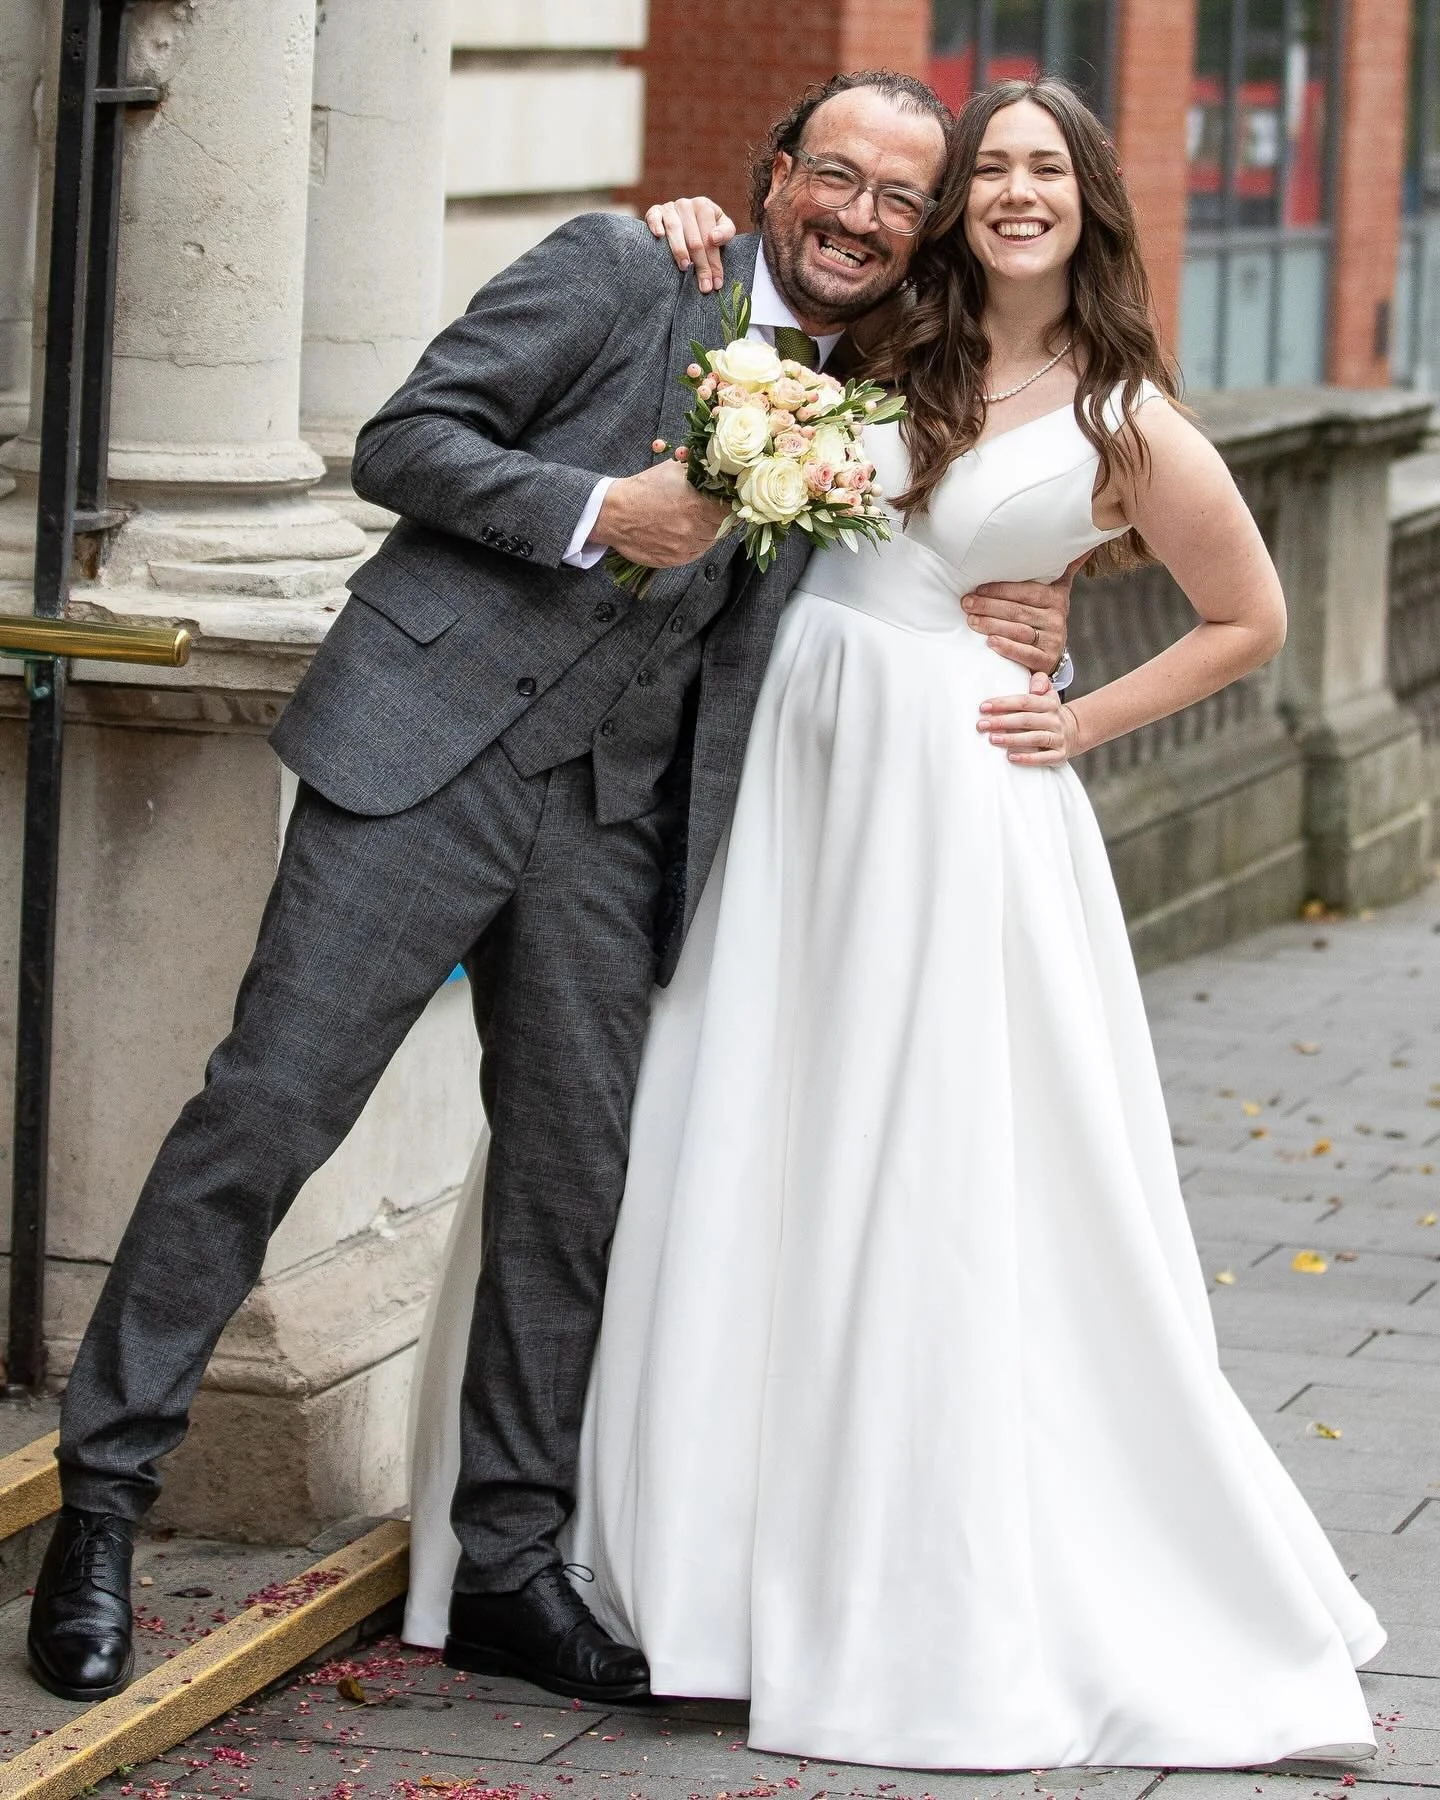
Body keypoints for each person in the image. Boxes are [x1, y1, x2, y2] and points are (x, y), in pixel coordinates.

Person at [25, 72, 1073, 1707]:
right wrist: (598, 509)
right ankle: (102, 1505)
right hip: (426, 758)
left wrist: (1037, 619)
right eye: (836, 176)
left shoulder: (883, 387)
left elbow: (951, 543)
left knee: (574, 1187)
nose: (858, 219)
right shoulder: (626, 268)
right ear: (774, 172)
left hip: (616, 820)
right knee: (266, 1118)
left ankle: (512, 1559)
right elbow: (403, 445)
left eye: (896, 199)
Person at [404, 79, 1384, 1768]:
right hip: (777, 769)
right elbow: (756, 347)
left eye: (1045, 168)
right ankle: (658, 1553)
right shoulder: (880, 352)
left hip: (946, 801)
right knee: (711, 1124)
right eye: (990, 168)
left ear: (1090, 200)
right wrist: (683, 220)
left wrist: (1077, 713)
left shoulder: (1130, 417)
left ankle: (901, 1569)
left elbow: (1250, 617)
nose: (1016, 192)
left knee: (917, 1158)